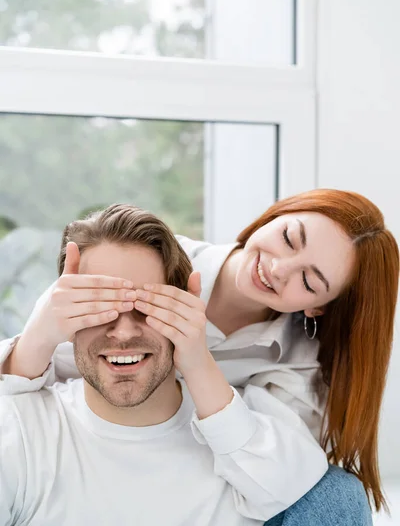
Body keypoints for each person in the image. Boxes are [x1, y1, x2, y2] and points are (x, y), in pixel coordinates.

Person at [1, 189, 398, 519]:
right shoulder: (151, 258)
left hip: (208, 464)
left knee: (337, 495)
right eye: (289, 238)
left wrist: (196, 361)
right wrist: (40, 334)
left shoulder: (297, 365)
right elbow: (61, 363)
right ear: (275, 216)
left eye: (309, 281)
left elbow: (281, 480)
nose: (279, 268)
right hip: (93, 437)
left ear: (319, 308)